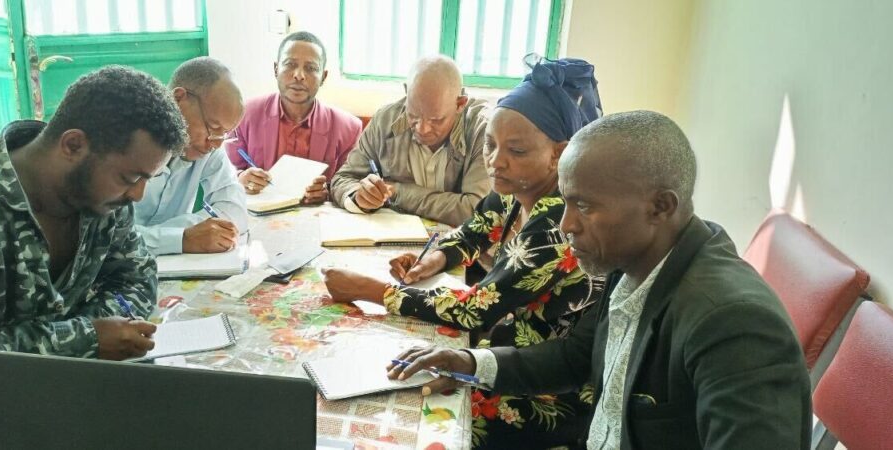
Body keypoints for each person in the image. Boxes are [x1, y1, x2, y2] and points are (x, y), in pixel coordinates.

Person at [389, 111, 812, 449]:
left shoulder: (734, 324)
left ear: (660, 206)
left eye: (584, 207)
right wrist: (469, 363)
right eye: (566, 203)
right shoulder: (634, 261)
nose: (567, 224)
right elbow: (578, 357)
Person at [0, 66, 187, 446]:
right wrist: (85, 340)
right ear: (73, 145)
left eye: (147, 180)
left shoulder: (102, 200)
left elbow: (136, 278)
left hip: (56, 406)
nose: (137, 195)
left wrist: (103, 331)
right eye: (129, 178)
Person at [325, 58, 605, 449]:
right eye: (490, 145)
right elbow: (474, 230)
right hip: (504, 350)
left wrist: (374, 292)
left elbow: (478, 308)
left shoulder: (557, 224)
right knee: (406, 373)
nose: (495, 161)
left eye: (516, 150)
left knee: (417, 407)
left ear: (558, 154)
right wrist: (435, 259)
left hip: (548, 386)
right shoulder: (514, 189)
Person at [329, 55, 490, 226]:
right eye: (413, 116)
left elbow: (478, 210)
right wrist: (359, 196)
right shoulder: (386, 120)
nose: (422, 129)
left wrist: (397, 192)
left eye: (436, 120)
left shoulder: (483, 131)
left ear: (460, 104)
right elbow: (343, 178)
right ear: (406, 91)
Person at [227, 31, 363, 204]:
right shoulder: (244, 115)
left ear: (324, 77)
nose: (299, 75)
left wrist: (327, 191)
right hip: (258, 217)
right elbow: (224, 173)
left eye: (311, 68)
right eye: (290, 64)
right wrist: (240, 178)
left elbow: (348, 183)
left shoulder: (348, 128)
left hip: (317, 219)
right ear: (276, 69)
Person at [134, 57, 248, 255]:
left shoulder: (208, 145)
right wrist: (181, 238)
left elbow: (235, 211)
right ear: (178, 99)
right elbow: (107, 240)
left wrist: (166, 237)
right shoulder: (127, 145)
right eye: (213, 128)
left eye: (225, 134)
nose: (216, 143)